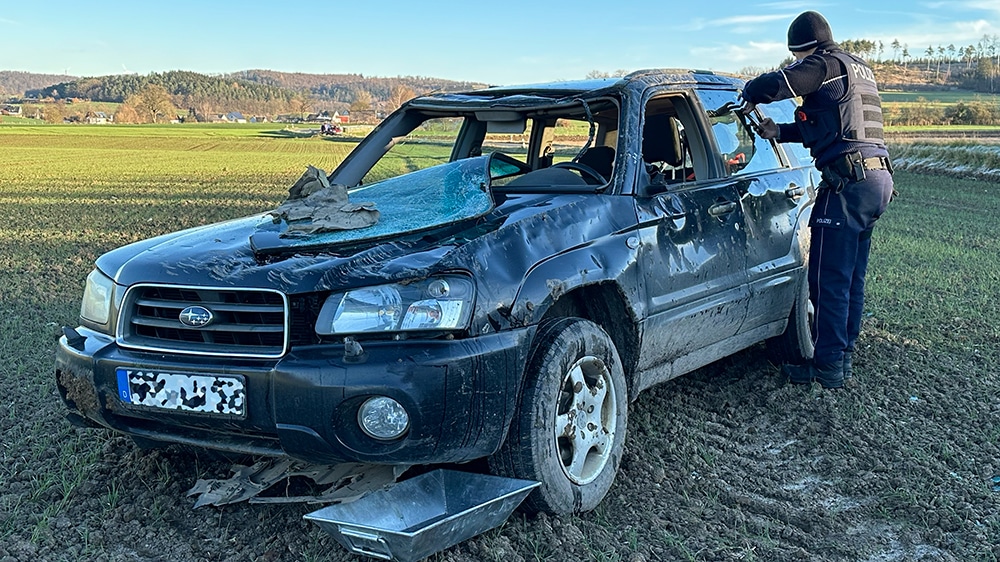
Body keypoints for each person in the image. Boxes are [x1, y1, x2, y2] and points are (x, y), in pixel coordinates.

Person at [741, 11, 894, 389]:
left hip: (848, 183)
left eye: (796, 56)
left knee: (828, 280)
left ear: (804, 48)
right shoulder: (856, 68)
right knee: (851, 277)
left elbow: (776, 84)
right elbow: (833, 125)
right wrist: (781, 130)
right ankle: (842, 357)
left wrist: (748, 93)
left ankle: (826, 368)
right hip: (876, 181)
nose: (796, 63)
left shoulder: (823, 64)